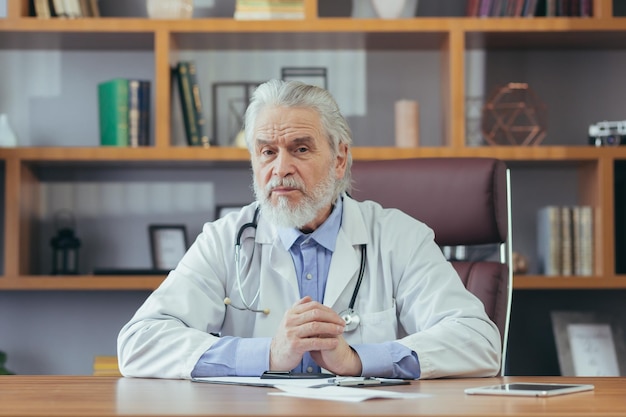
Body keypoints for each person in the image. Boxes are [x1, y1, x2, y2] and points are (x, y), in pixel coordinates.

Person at [117, 79, 501, 380]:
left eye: (300, 149)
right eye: (267, 151)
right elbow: (139, 343)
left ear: (339, 158)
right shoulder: (225, 239)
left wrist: (357, 360)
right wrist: (268, 354)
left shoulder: (399, 237)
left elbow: (480, 343)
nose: (280, 168)